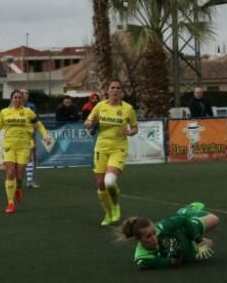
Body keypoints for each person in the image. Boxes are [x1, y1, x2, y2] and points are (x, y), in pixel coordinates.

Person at [84, 80, 139, 226]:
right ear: (107, 90)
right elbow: (87, 123)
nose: (115, 90)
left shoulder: (128, 109)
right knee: (101, 184)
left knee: (109, 181)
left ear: (121, 91)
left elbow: (135, 128)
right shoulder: (100, 106)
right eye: (112, 88)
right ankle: (108, 214)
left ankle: (115, 205)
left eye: (118, 88)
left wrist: (129, 131)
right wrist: (91, 123)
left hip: (118, 148)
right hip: (101, 148)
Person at [0, 90, 52, 214]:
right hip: (9, 145)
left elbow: (39, 125)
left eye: (20, 97)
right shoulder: (4, 112)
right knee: (10, 172)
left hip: (24, 146)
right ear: (11, 99)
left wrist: (45, 135)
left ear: (23, 99)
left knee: (19, 175)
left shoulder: (28, 112)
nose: (17, 99)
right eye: (15, 97)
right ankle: (10, 203)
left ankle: (18, 188)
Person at [119, 202, 219, 269]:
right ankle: (193, 243)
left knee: (214, 219)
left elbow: (184, 221)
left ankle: (186, 211)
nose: (154, 238)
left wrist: (199, 241)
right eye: (148, 237)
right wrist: (175, 257)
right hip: (185, 247)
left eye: (154, 233)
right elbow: (169, 263)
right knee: (211, 244)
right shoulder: (143, 259)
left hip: (183, 231)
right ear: (138, 239)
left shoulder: (161, 227)